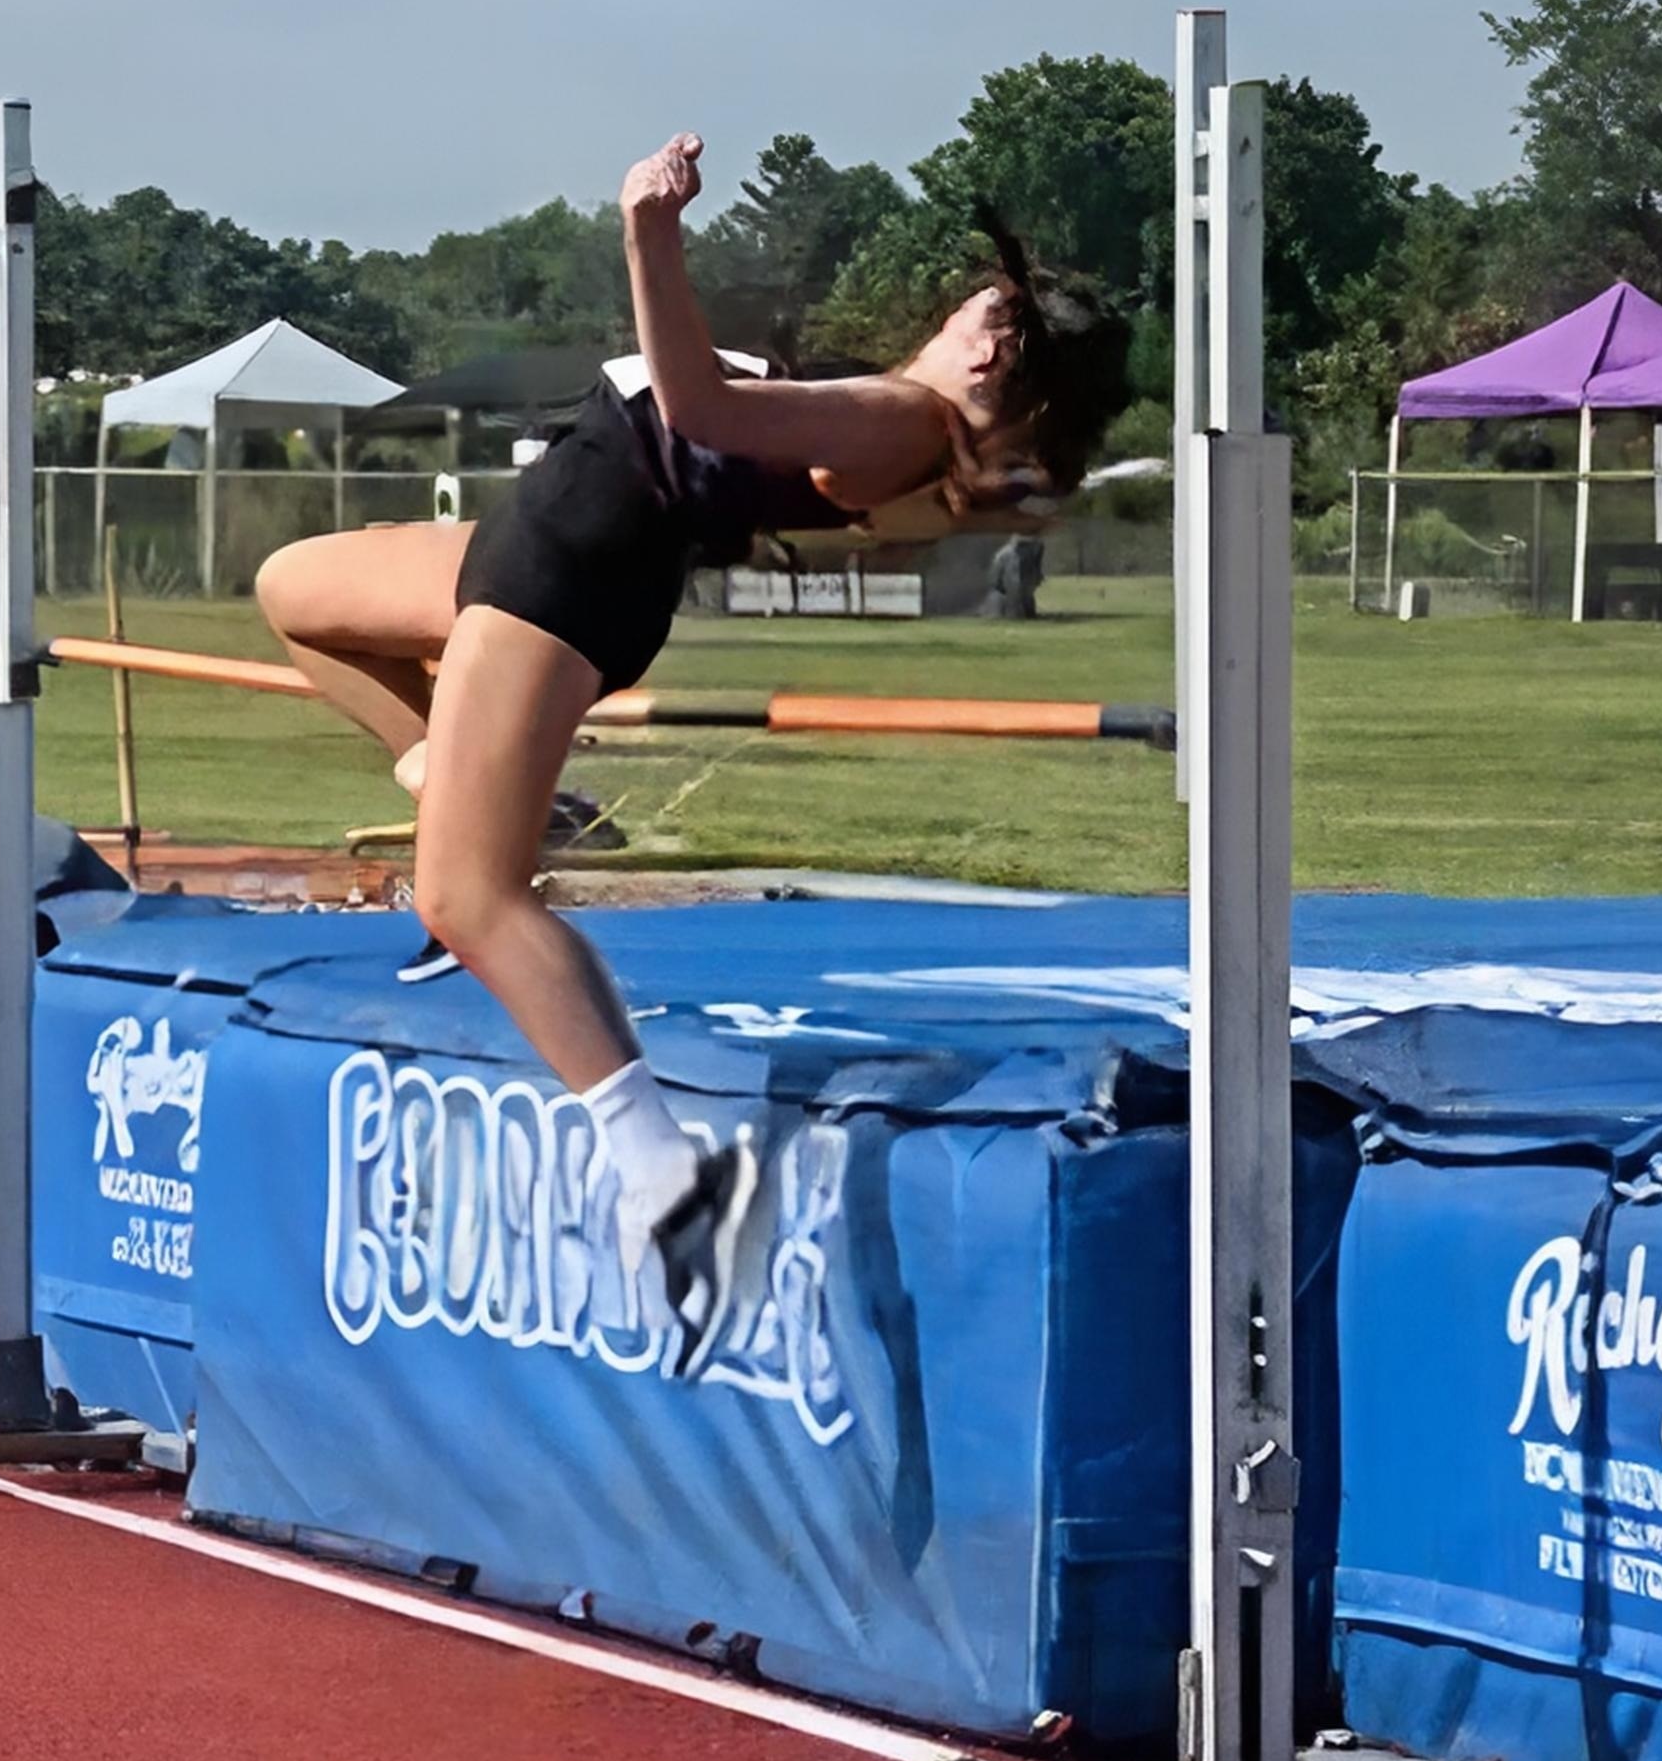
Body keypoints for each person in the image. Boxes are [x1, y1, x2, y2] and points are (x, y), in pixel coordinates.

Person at [256, 133, 1128, 1368]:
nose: (947, 316)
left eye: (969, 307)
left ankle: (664, 1175)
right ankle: (464, 778)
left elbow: (697, 409)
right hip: (534, 538)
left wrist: (648, 234)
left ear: (991, 345)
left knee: (464, 897)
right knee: (297, 589)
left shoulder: (902, 419)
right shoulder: (903, 421)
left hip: (568, 572)